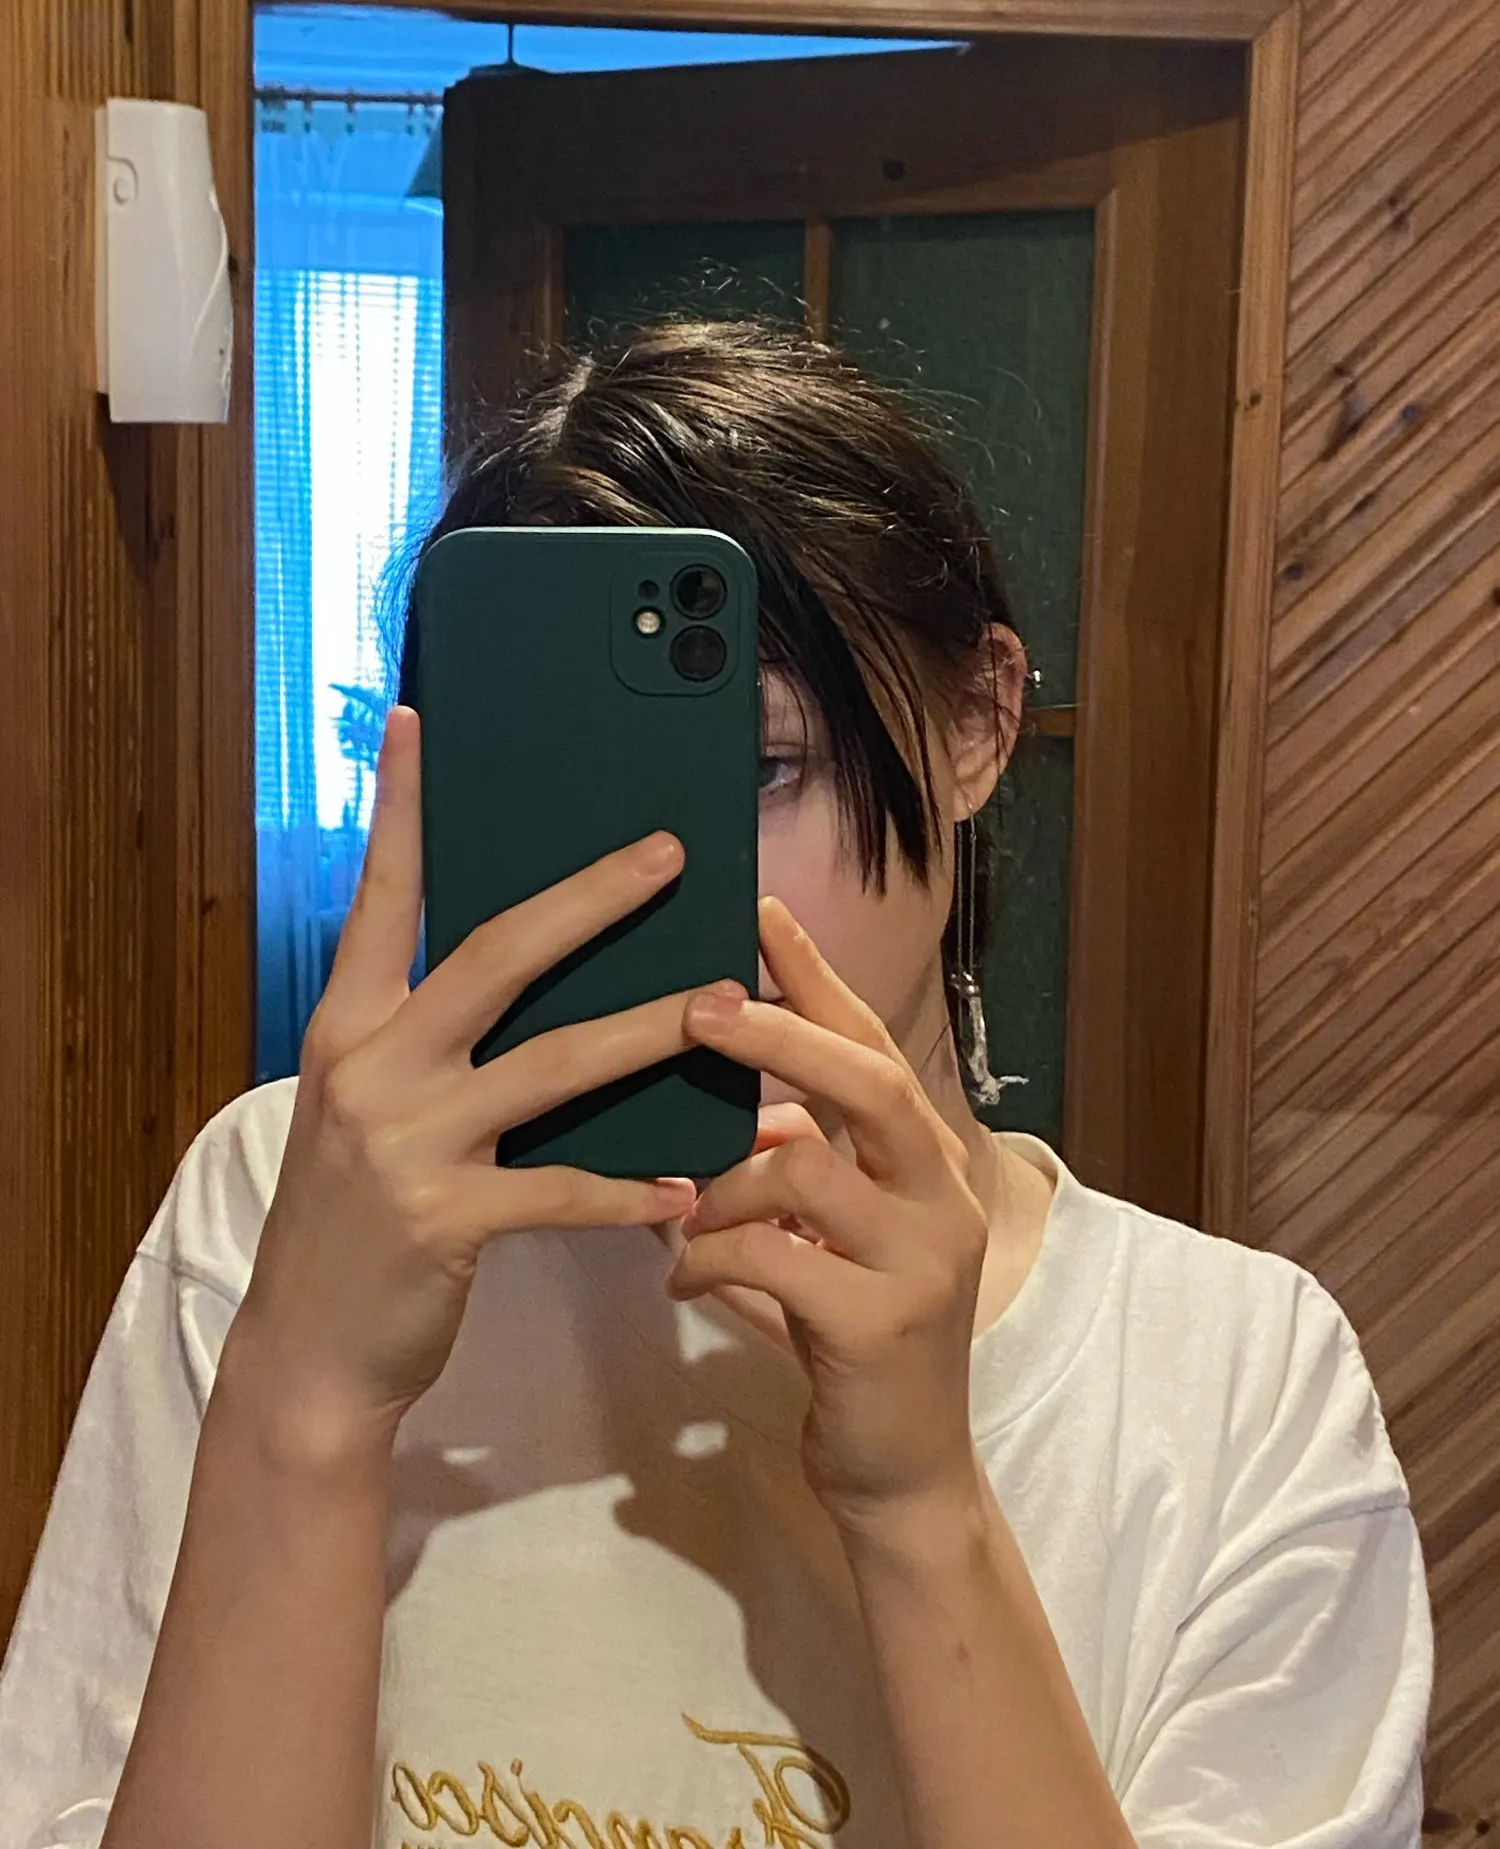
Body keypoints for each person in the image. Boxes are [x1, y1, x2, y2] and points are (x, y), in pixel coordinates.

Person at [1, 322, 1430, 1849]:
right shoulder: (281, 1208)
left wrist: (923, 1506)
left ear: (979, 721)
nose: (655, 879)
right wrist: (306, 1404)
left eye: (759, 772)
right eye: (555, 795)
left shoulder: (1234, 1381)